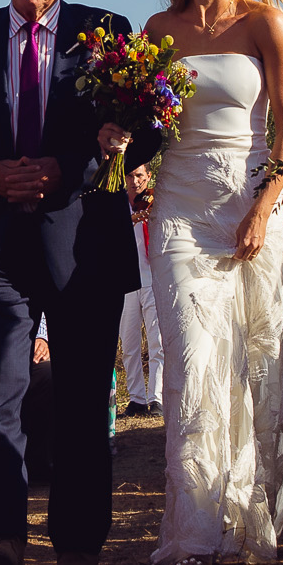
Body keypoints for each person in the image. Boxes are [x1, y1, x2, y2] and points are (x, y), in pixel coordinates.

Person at [0, 0, 163, 565]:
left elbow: (141, 130)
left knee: (83, 393)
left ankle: (77, 541)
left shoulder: (107, 34)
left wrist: (71, 166)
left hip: (83, 240)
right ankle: (2, 537)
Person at [140, 0, 283, 565]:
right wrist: (133, 162)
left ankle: (246, 518)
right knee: (192, 357)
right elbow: (143, 120)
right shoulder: (158, 32)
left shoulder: (265, 22)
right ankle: (194, 535)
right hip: (178, 206)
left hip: (251, 201)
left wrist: (265, 206)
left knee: (253, 360)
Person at [116, 162, 162, 416]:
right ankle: (136, 398)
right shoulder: (117, 203)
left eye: (140, 175)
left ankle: (157, 397)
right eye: (131, 175)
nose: (135, 181)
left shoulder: (157, 200)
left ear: (148, 176)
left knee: (158, 341)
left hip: (154, 278)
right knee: (130, 343)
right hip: (126, 281)